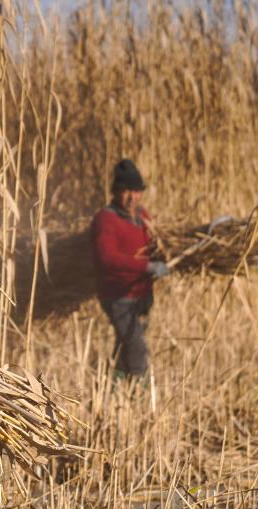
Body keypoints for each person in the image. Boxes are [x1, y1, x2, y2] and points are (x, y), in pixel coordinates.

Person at [89, 159, 170, 380]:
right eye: (126, 191)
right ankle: (138, 391)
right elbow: (107, 258)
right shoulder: (106, 220)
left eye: (136, 191)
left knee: (126, 344)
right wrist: (147, 266)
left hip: (141, 295)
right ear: (116, 192)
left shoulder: (143, 217)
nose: (132, 197)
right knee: (137, 348)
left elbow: (155, 243)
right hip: (118, 296)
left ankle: (113, 386)